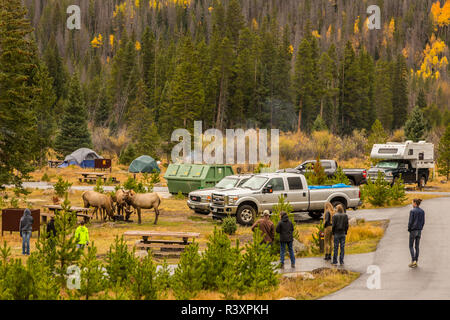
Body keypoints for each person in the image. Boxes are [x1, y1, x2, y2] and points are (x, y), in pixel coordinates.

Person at [408, 198, 425, 268]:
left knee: (411, 246)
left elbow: (410, 222)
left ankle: (413, 260)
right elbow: (423, 222)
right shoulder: (422, 211)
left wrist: (409, 229)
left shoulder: (412, 211)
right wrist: (420, 228)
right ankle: (416, 261)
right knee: (417, 246)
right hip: (419, 230)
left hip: (413, 230)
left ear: (415, 203)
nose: (412, 204)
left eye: (412, 202)